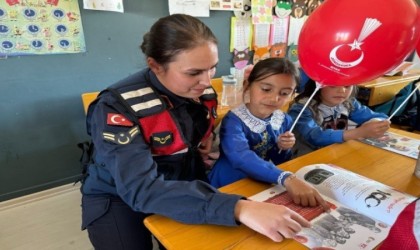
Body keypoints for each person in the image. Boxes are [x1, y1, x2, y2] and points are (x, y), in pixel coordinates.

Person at [80, 14, 314, 250]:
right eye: (194, 73)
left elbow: (194, 136)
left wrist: (206, 143)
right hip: (120, 194)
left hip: (182, 182)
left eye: (212, 68)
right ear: (155, 65)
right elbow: (141, 189)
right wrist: (239, 207)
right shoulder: (116, 107)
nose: (206, 81)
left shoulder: (200, 92)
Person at [208, 58, 329, 211]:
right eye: (266, 89)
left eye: (284, 93)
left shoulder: (283, 119)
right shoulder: (234, 120)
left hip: (263, 179)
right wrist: (286, 178)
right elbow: (240, 157)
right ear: (247, 86)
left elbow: (279, 160)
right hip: (229, 183)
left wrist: (283, 147)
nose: (274, 98)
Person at [288, 79, 390, 156]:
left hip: (335, 152)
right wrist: (360, 132)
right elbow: (315, 136)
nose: (342, 91)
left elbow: (380, 117)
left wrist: (375, 122)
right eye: (333, 85)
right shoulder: (301, 108)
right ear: (318, 84)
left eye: (347, 86)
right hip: (306, 156)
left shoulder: (348, 103)